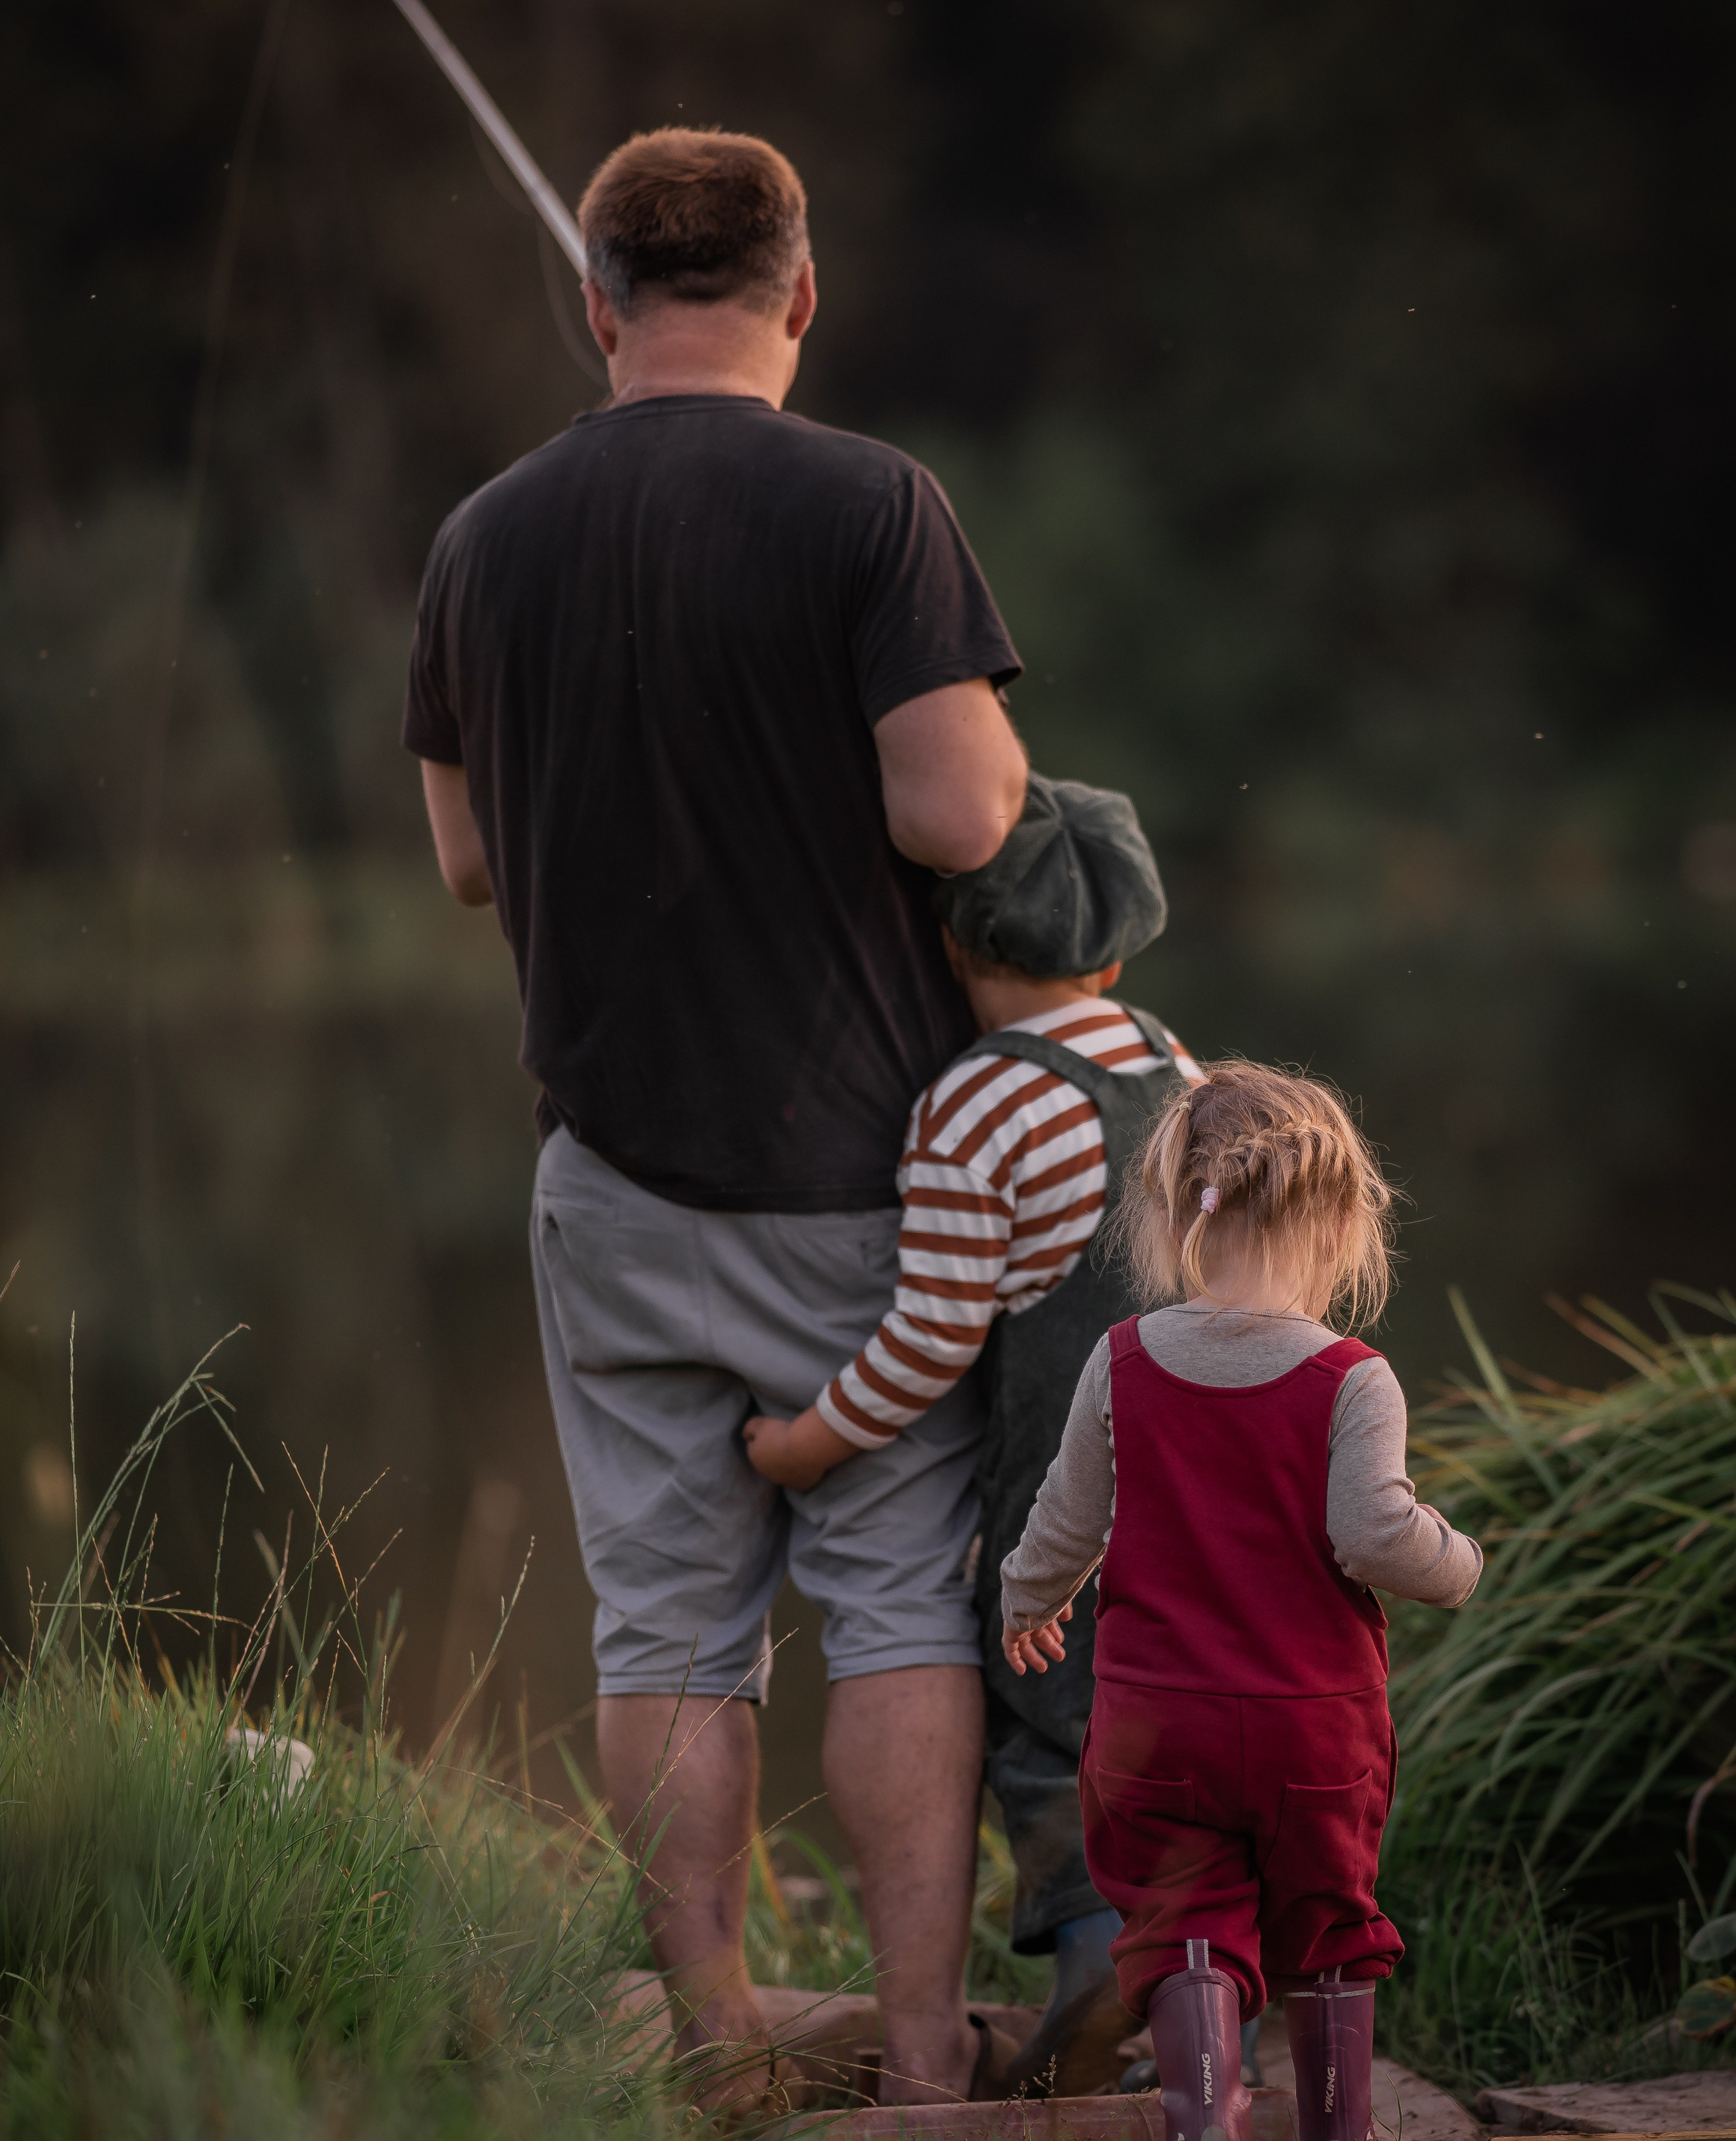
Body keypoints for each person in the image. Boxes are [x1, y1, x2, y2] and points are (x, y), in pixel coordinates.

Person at [403, 126, 1030, 2107]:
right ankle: (922, 2052)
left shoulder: (479, 537)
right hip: (863, 1181)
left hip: (607, 1179)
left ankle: (713, 2037)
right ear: (801, 292)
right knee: (899, 1603)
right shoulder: (872, 504)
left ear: (595, 306)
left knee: (665, 1627)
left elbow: (463, 861)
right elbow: (962, 814)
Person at [744, 775, 1200, 2097]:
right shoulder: (1176, 1064)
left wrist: (808, 1443)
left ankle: (1105, 1961)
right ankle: (1202, 1985)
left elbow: (931, 1340)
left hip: (1071, 1495)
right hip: (1209, 1473)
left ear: (954, 946)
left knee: (1056, 1726)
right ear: (1116, 954)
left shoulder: (977, 1103)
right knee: (1179, 1715)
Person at [1000, 1065, 1484, 2141]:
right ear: (1344, 1224)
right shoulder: (1352, 1376)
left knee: (1185, 1928)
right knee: (1327, 1928)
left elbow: (1066, 1516)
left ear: (1177, 1215)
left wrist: (1027, 1601)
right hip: (1313, 1724)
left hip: (1158, 1724)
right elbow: (1373, 1535)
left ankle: (1205, 2123)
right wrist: (1457, 1562)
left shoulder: (1122, 1360)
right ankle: (1334, 2130)